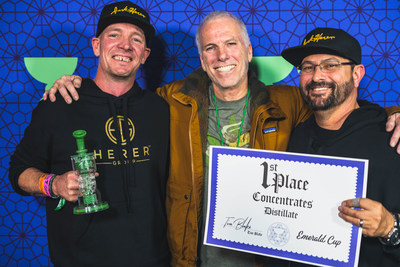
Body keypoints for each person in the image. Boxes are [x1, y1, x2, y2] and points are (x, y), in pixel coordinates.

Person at [43, 12, 400, 266]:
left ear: (247, 51)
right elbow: (120, 95)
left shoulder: (287, 102)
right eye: (211, 47)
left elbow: (337, 108)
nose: (221, 55)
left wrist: (394, 114)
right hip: (193, 256)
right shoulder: (171, 101)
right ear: (201, 59)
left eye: (231, 43)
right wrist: (76, 83)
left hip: (267, 256)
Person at [8, 1, 170, 266]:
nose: (125, 45)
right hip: (79, 260)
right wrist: (53, 184)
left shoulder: (161, 110)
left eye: (136, 39)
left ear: (145, 55)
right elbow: (18, 172)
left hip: (154, 259)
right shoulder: (59, 103)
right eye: (114, 35)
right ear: (96, 45)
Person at [275, 27, 400, 266]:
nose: (317, 76)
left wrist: (390, 227)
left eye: (330, 65)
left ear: (356, 74)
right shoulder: (294, 136)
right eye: (308, 67)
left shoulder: (392, 140)